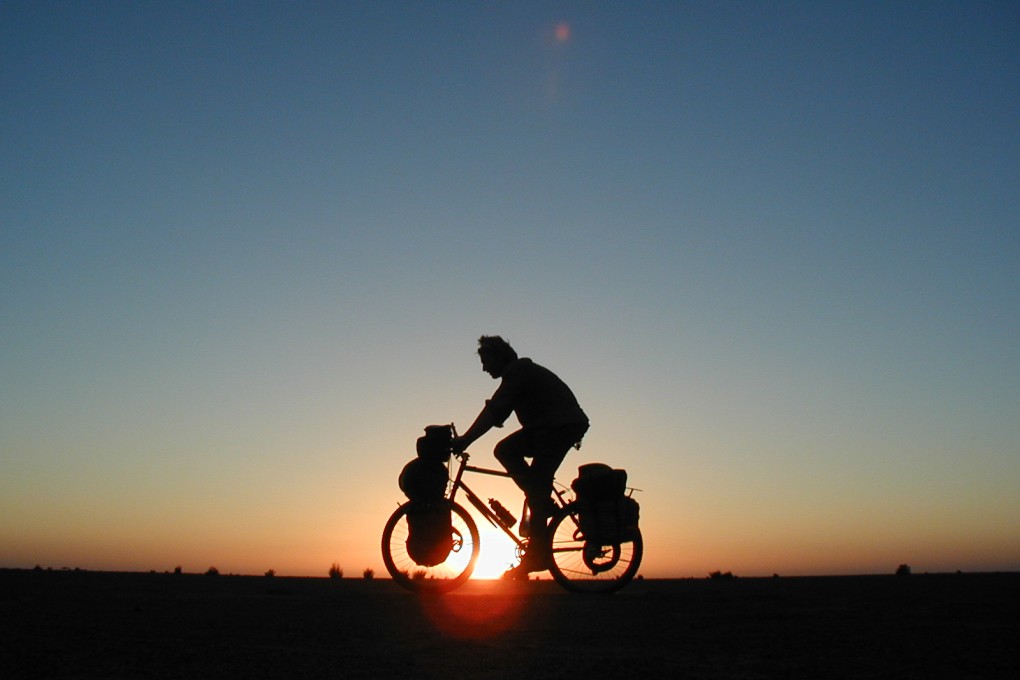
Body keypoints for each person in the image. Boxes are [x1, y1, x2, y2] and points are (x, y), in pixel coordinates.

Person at [451, 335, 589, 577]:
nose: (484, 369)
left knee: (532, 483)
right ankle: (541, 501)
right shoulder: (518, 372)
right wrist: (467, 438)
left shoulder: (518, 373)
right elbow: (496, 410)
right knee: (513, 460)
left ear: (498, 357)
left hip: (559, 427)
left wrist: (465, 440)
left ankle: (537, 554)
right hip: (547, 428)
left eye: (485, 362)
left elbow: (494, 412)